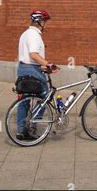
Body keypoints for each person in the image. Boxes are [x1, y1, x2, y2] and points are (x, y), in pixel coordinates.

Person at [16, 10, 59, 140]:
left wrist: (43, 67)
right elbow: (33, 55)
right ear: (40, 22)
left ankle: (21, 130)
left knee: (24, 101)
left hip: (23, 69)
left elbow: (23, 56)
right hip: (32, 71)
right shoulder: (34, 35)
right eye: (45, 22)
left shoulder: (25, 34)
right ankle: (32, 125)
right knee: (45, 97)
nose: (47, 25)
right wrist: (49, 64)